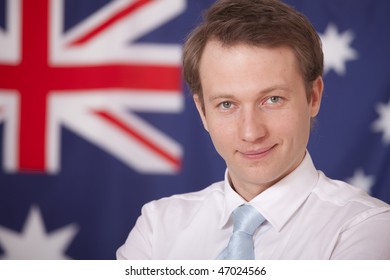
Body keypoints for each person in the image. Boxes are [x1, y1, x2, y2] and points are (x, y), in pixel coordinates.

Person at [116, 0, 390, 259]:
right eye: (226, 104)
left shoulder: (365, 229)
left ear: (313, 96)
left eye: (272, 99)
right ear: (202, 112)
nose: (251, 132)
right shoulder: (157, 228)